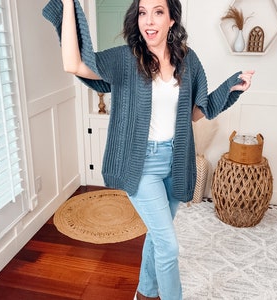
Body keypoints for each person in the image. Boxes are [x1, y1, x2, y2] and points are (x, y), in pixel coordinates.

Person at [43, 0, 254, 299]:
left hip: (176, 160)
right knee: (169, 245)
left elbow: (194, 111)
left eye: (158, 12)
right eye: (143, 12)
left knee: (157, 235)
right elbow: (74, 64)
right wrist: (66, 5)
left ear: (171, 20)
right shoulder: (126, 59)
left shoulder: (187, 60)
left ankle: (144, 292)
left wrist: (231, 88)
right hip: (141, 164)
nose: (149, 20)